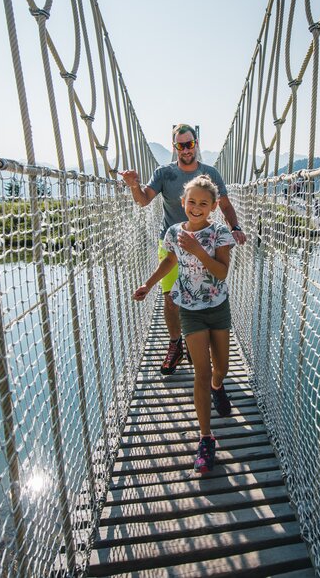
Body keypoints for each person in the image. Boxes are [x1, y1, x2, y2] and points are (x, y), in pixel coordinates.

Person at [120, 124, 245, 375]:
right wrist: (134, 185)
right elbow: (144, 200)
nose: (186, 149)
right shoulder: (164, 173)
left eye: (189, 144)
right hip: (172, 243)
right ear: (174, 146)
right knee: (171, 300)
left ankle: (194, 341)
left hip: (205, 244)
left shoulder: (210, 173)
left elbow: (225, 204)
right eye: (180, 145)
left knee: (205, 292)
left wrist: (235, 227)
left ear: (196, 143)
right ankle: (176, 343)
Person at [133, 175, 236, 474]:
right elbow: (169, 262)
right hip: (188, 308)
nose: (196, 207)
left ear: (214, 206)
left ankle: (219, 386)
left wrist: (197, 250)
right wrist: (149, 285)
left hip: (217, 306)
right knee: (201, 372)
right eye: (191, 202)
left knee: (221, 368)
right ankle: (206, 438)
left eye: (204, 203)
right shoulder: (174, 232)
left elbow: (221, 273)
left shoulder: (219, 233)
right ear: (183, 202)